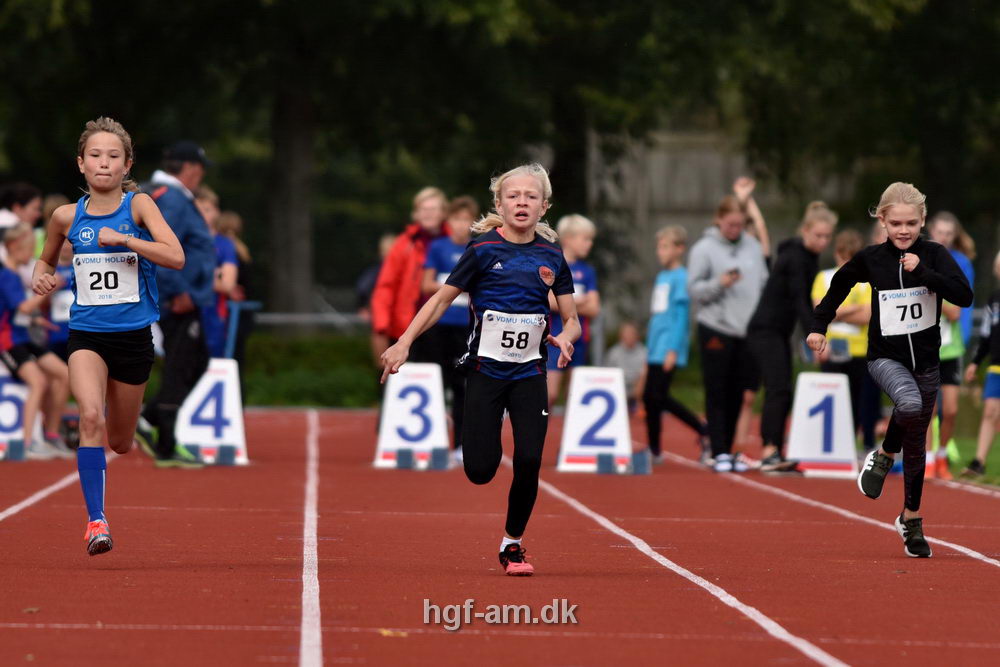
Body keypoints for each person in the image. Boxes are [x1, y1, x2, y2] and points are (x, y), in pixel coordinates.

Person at [381, 163, 580, 577]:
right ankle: (484, 462)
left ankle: (513, 544)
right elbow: (438, 301)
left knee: (528, 457)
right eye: (513, 196)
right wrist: (404, 341)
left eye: (530, 196)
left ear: (544, 207)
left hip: (529, 373)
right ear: (499, 204)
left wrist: (565, 336)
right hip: (485, 372)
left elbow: (571, 317)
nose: (521, 202)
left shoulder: (552, 256)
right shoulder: (482, 251)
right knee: (479, 470)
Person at [32, 117, 185, 555]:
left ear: (127, 164)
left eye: (113, 156)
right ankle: (96, 522)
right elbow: (45, 263)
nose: (104, 163)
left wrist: (126, 240)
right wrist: (43, 279)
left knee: (119, 440)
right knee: (90, 419)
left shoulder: (139, 207)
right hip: (87, 335)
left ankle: (124, 436)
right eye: (95, 156)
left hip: (134, 339)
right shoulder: (65, 216)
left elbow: (175, 256)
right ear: (81, 164)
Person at [809, 182, 972, 558]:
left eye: (911, 223)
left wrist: (926, 274)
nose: (903, 231)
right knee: (911, 406)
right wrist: (820, 325)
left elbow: (963, 295)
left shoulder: (934, 254)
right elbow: (840, 284)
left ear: (923, 220)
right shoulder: (872, 259)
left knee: (916, 444)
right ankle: (883, 454)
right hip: (885, 357)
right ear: (882, 220)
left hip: (927, 362)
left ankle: (910, 520)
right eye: (896, 223)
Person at [134, 140, 216, 467]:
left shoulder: (162, 195)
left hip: (181, 294)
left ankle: (152, 419)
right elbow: (160, 245)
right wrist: (177, 290)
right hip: (178, 298)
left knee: (195, 362)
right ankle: (164, 439)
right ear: (192, 169)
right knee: (183, 364)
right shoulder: (171, 199)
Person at [748, 202, 836, 471]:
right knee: (777, 387)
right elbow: (800, 300)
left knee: (783, 388)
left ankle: (774, 447)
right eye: (818, 235)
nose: (823, 242)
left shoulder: (807, 257)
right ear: (806, 231)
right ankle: (769, 450)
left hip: (778, 331)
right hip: (765, 329)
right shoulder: (796, 258)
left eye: (827, 237)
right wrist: (816, 334)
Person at [688, 193, 768, 473]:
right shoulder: (704, 249)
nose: (734, 229)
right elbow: (694, 290)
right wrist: (719, 283)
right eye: (730, 224)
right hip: (716, 326)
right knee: (717, 389)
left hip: (746, 330)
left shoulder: (753, 247)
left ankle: (729, 448)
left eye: (739, 225)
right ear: (719, 220)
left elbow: (763, 283)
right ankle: (719, 450)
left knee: (739, 392)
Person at [0, 224, 72, 460]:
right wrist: (51, 287)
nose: (31, 254)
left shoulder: (13, 274)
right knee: (39, 381)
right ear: (12, 246)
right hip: (8, 341)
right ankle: (29, 441)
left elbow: (16, 312)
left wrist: (37, 322)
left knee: (64, 374)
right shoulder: (7, 275)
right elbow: (23, 307)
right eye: (28, 248)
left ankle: (51, 434)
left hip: (22, 335)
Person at [642, 225, 709, 464]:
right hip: (655, 345)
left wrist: (673, 348)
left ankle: (702, 429)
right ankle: (654, 449)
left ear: (679, 249)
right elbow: (657, 315)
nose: (660, 252)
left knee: (657, 396)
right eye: (659, 247)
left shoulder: (681, 277)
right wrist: (650, 346)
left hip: (668, 346)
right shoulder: (662, 277)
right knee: (651, 398)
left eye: (665, 247)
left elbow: (681, 317)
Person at [422, 196, 479, 462]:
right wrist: (454, 285)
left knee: (462, 386)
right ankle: (430, 442)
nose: (460, 225)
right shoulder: (438, 247)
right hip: (439, 324)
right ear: (448, 222)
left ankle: (460, 444)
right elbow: (426, 284)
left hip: (466, 326)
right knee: (436, 382)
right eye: (456, 219)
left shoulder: (477, 247)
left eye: (466, 219)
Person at [811, 229, 879, 453]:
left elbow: (867, 315)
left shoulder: (866, 281)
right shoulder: (825, 277)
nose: (848, 262)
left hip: (861, 349)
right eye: (844, 256)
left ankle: (866, 443)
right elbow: (819, 309)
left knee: (863, 401)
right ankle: (836, 445)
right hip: (832, 348)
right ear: (838, 254)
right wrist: (851, 309)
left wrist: (835, 311)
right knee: (835, 398)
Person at [370, 187, 449, 364]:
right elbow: (385, 287)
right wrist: (381, 326)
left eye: (433, 209)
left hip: (446, 326)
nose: (428, 213)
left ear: (444, 213)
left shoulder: (457, 243)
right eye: (423, 209)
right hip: (406, 326)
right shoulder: (404, 244)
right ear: (416, 214)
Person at [731, 178, 769, 453]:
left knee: (747, 395)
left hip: (754, 333)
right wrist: (740, 200)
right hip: (731, 328)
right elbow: (735, 221)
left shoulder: (761, 256)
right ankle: (723, 443)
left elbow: (762, 230)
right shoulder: (731, 253)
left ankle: (738, 447)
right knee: (730, 392)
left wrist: (748, 200)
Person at [545, 214, 599, 406]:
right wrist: (579, 300)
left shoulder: (588, 271)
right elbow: (547, 300)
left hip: (580, 338)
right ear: (568, 238)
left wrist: (564, 302)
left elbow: (594, 308)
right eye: (585, 239)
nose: (589, 244)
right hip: (554, 337)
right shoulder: (553, 264)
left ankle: (567, 435)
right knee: (549, 394)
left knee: (574, 396)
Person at [961, 251, 1000, 477]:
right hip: (996, 365)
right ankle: (979, 461)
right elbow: (986, 335)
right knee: (989, 412)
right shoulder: (994, 300)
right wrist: (975, 362)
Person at [194, 186, 239, 358]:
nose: (202, 215)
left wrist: (196, 276)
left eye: (206, 210)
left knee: (212, 362)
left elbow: (228, 284)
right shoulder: (184, 241)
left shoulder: (224, 244)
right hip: (185, 313)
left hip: (213, 315)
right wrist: (213, 275)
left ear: (216, 212)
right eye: (197, 210)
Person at [928, 212, 975, 345]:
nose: (944, 237)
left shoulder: (962, 262)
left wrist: (963, 335)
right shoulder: (918, 256)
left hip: (951, 339)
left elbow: (966, 302)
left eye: (948, 233)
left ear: (955, 235)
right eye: (940, 232)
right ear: (931, 231)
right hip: (923, 335)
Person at [605, 321, 646, 414]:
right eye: (626, 334)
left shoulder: (644, 352)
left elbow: (645, 372)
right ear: (621, 336)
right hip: (619, 385)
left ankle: (639, 405)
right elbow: (608, 373)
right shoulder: (613, 353)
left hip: (637, 386)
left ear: (637, 336)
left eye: (632, 334)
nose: (629, 337)